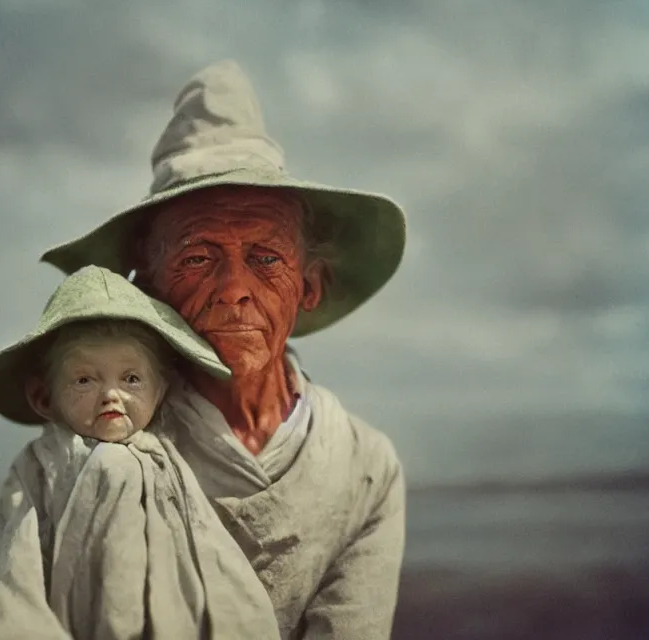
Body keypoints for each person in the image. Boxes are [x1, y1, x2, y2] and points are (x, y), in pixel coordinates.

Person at [40, 60, 408, 639]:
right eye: (196, 257)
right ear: (150, 291)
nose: (235, 288)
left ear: (309, 285)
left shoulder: (365, 465)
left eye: (266, 258)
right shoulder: (104, 437)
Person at [0, 265, 281, 640]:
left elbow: (218, 563)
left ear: (159, 390)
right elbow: (2, 573)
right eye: (85, 380)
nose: (110, 394)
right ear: (43, 397)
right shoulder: (42, 471)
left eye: (131, 378)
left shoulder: (173, 462)